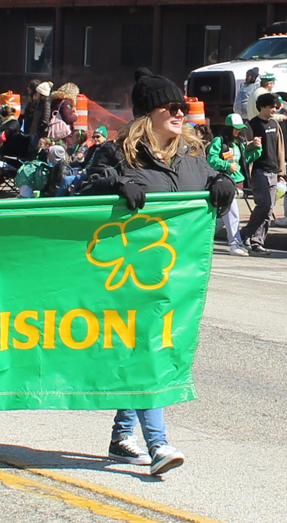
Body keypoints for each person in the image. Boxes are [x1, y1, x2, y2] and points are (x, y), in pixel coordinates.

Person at [80, 69, 235, 475]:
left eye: (183, 107)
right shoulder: (118, 153)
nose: (181, 113)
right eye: (173, 107)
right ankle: (159, 444)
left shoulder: (192, 156)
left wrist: (221, 181)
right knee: (146, 348)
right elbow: (79, 193)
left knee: (153, 349)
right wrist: (114, 186)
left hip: (175, 276)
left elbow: (209, 183)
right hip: (126, 274)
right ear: (149, 113)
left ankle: (122, 433)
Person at [207, 113, 262, 256]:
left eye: (240, 128)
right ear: (228, 127)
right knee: (232, 213)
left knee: (222, 217)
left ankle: (200, 235)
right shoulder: (218, 141)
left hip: (237, 182)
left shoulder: (238, 143)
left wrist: (257, 150)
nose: (238, 131)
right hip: (224, 182)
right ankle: (234, 243)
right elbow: (211, 160)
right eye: (235, 128)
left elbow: (244, 160)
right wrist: (226, 165)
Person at [241, 93, 286, 254]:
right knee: (264, 205)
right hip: (259, 170)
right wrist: (252, 144)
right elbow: (243, 148)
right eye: (271, 107)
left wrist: (282, 172)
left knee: (269, 208)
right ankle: (245, 234)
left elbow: (280, 148)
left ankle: (257, 241)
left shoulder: (275, 124)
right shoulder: (252, 124)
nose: (274, 110)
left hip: (274, 171)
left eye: (276, 107)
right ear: (262, 107)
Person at [57, 126, 108, 196]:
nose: (95, 139)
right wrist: (81, 160)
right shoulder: (92, 149)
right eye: (94, 137)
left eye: (98, 137)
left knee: (78, 178)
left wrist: (86, 170)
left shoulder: (106, 149)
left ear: (104, 137)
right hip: (85, 171)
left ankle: (75, 200)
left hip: (96, 174)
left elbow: (100, 165)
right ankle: (58, 200)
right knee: (66, 179)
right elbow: (84, 163)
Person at [49, 82, 79, 147]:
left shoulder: (55, 100)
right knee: (67, 148)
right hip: (63, 132)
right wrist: (75, 115)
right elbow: (67, 117)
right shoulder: (66, 101)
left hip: (55, 129)